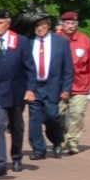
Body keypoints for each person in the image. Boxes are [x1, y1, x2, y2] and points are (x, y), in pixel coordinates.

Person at [24, 14, 73, 157]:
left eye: (42, 25)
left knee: (52, 116)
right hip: (34, 86)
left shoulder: (61, 42)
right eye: (37, 26)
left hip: (52, 86)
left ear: (49, 25)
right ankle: (39, 149)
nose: (40, 29)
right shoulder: (29, 42)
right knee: (35, 119)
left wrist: (66, 89)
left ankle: (57, 141)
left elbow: (68, 69)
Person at [0, 9, 28, 175]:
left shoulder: (21, 41)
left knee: (16, 126)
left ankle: (16, 157)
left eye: (0, 23)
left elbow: (29, 67)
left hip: (16, 91)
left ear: (8, 24)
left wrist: (31, 89)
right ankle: (1, 162)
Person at [60, 11, 90, 154]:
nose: (70, 26)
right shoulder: (56, 39)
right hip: (60, 86)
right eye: (67, 23)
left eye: (73, 23)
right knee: (57, 114)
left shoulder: (84, 40)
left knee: (77, 114)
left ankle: (73, 141)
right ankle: (61, 136)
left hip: (80, 85)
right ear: (62, 24)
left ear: (77, 24)